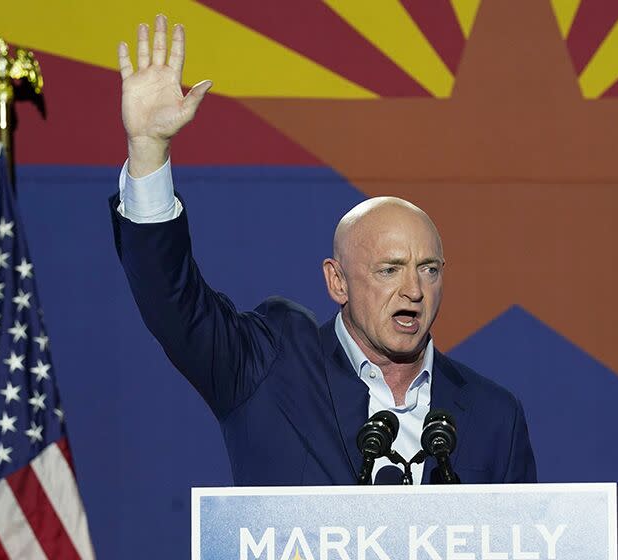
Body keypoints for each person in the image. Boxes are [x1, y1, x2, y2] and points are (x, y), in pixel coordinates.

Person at [110, 15, 536, 485]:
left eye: (428, 269)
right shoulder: (270, 370)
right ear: (338, 281)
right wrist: (148, 150)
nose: (413, 290)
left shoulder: (496, 416)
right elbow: (173, 304)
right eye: (389, 270)